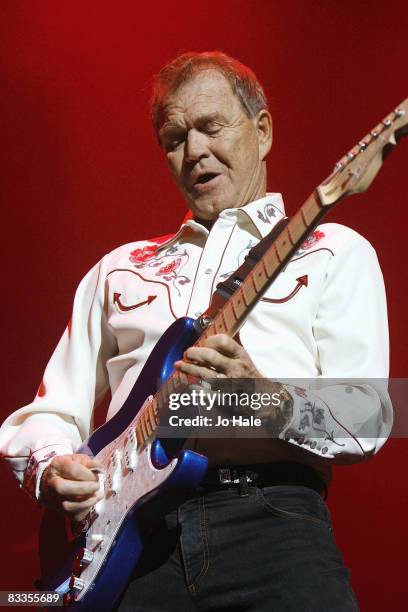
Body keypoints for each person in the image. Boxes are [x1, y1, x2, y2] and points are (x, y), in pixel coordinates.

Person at [0, 51, 392, 611]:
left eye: (212, 128)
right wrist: (53, 468)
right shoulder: (120, 267)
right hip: (132, 549)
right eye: (174, 138)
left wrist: (263, 399)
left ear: (263, 131)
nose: (195, 152)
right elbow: (47, 412)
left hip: (272, 527)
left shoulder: (333, 252)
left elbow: (371, 416)